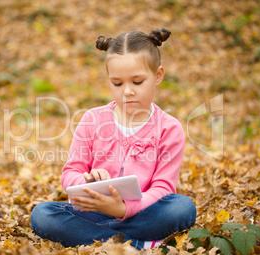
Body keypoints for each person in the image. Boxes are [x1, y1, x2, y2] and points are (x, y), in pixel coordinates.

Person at [30, 28, 196, 250]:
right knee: (42, 214)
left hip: (142, 215)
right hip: (94, 215)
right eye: (117, 84)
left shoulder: (169, 128)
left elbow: (163, 187)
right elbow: (70, 174)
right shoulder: (93, 119)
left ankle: (103, 242)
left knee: (182, 208)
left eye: (137, 82)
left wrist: (123, 209)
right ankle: (136, 245)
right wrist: (87, 182)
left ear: (158, 75)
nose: (127, 91)